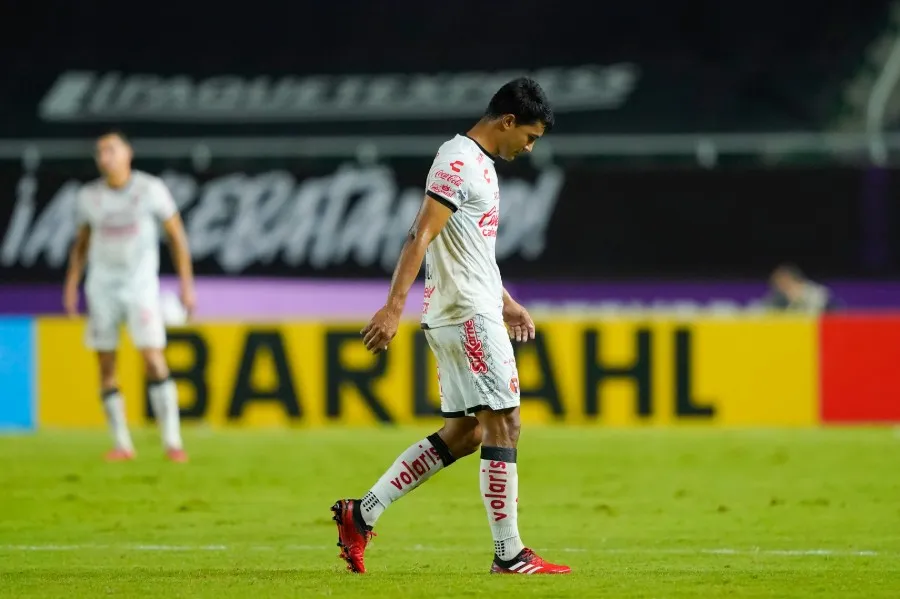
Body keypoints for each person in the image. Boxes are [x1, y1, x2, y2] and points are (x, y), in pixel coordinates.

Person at [331, 78, 571, 575]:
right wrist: (392, 307)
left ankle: (362, 513)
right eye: (529, 137)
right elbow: (421, 233)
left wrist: (506, 301)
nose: (528, 148)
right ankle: (509, 553)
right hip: (465, 316)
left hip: (470, 309)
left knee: (465, 434)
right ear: (507, 121)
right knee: (505, 422)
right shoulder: (458, 159)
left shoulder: (479, 165)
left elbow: (469, 251)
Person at [63, 130, 195, 463]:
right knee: (106, 364)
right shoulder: (88, 197)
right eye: (99, 151)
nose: (104, 156)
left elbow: (177, 238)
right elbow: (81, 245)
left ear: (128, 154)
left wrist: (186, 285)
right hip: (101, 288)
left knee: (153, 358)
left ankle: (172, 441)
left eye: (110, 149)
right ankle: (122, 443)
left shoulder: (150, 189)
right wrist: (71, 283)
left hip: (140, 288)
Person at [763, 263, 841, 315]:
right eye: (778, 285)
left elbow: (813, 316)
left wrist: (798, 301)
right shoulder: (778, 298)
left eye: (785, 284)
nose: (781, 289)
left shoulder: (818, 294)